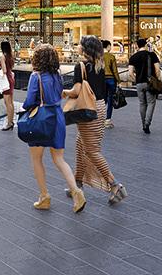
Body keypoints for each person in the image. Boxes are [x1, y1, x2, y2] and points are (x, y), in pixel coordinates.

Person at [64, 36, 127, 206]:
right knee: (80, 144)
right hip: (99, 106)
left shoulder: (81, 66)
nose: (77, 46)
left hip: (88, 108)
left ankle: (115, 185)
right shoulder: (100, 65)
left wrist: (64, 92)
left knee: (92, 150)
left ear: (85, 49)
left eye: (79, 44)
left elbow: (77, 90)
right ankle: (77, 184)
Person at [22, 44, 85, 212]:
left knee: (37, 158)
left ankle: (44, 196)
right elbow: (59, 94)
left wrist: (25, 107)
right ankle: (76, 192)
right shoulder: (57, 75)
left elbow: (29, 101)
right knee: (59, 158)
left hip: (42, 119)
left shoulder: (36, 76)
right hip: (57, 117)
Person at [128, 38, 161, 134]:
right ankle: (147, 123)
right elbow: (157, 70)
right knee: (151, 103)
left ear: (137, 46)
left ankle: (143, 124)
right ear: (146, 45)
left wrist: (136, 80)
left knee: (142, 103)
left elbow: (130, 73)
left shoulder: (133, 57)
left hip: (139, 83)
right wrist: (157, 80)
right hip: (150, 83)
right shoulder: (152, 55)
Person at [101, 40, 120, 128]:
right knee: (110, 99)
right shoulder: (111, 56)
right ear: (108, 46)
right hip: (111, 79)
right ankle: (107, 120)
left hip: (102, 80)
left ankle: (100, 119)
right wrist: (118, 81)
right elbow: (115, 70)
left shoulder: (99, 56)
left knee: (102, 100)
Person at [0, 40, 16, 130]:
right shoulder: (10, 56)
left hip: (6, 80)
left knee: (7, 102)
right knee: (11, 102)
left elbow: (4, 71)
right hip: (11, 79)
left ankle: (9, 123)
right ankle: (11, 121)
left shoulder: (3, 56)